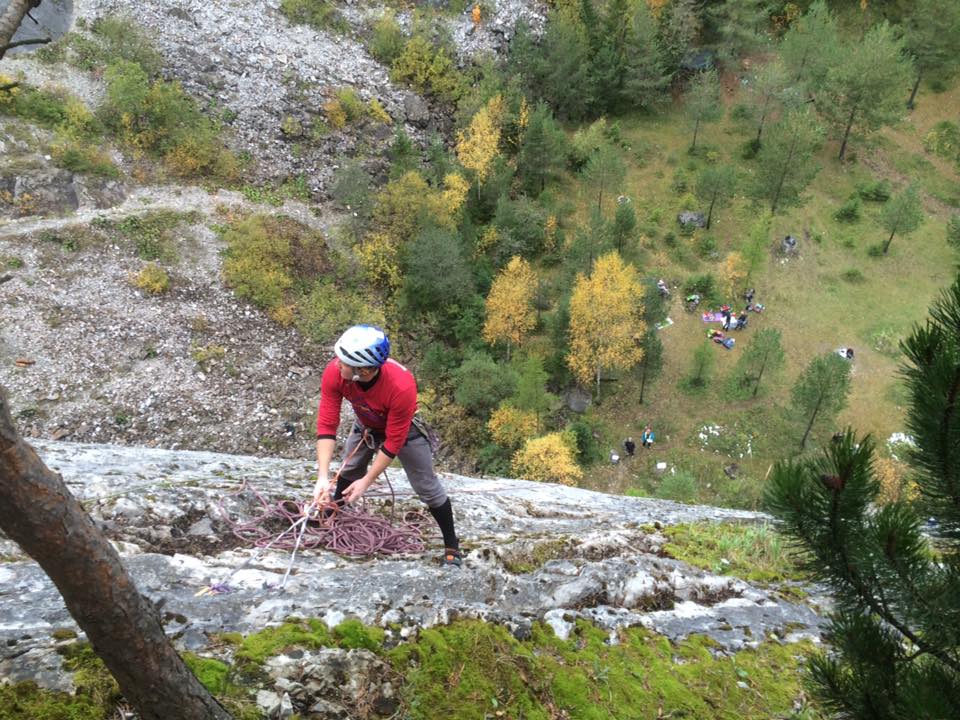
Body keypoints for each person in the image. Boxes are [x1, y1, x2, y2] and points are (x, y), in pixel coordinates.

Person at [313, 325, 462, 567]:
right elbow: (327, 423)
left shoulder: (401, 385)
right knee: (349, 470)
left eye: (345, 362)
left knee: (427, 487)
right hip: (366, 424)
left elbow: (394, 441)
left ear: (364, 370)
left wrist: (367, 482)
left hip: (406, 432)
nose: (337, 364)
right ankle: (334, 512)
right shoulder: (335, 372)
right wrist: (322, 477)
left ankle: (451, 543)